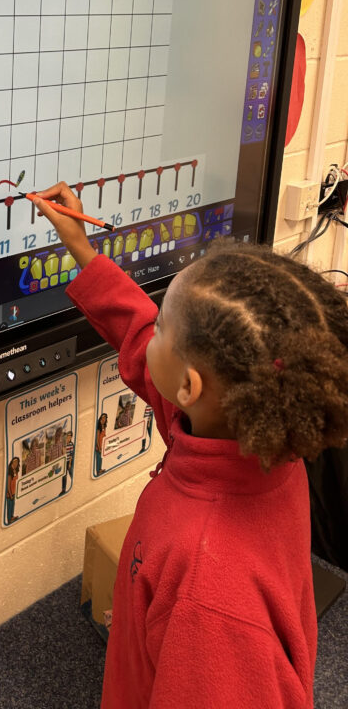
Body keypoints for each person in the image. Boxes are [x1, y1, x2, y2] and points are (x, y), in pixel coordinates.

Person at [33, 181, 348, 709]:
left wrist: (172, 616)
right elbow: (136, 337)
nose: (149, 330)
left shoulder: (207, 595)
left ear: (190, 386)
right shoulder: (250, 441)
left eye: (163, 327)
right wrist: (82, 251)